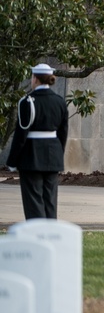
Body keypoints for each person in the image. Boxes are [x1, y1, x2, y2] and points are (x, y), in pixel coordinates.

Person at [6, 63, 70, 220]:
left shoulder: (27, 102)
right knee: (50, 199)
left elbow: (21, 134)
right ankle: (51, 231)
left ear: (35, 78)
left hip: (31, 155)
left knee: (33, 199)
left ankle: (37, 232)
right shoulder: (59, 101)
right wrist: (58, 153)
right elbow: (63, 132)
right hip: (53, 154)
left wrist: (12, 161)